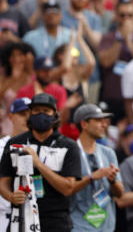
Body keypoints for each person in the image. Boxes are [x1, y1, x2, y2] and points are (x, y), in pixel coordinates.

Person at [0, 93, 82, 232]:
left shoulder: (68, 146)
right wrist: (11, 196)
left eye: (46, 111)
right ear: (30, 114)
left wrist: (38, 163)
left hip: (55, 222)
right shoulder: (15, 143)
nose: (41, 114)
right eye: (36, 110)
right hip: (20, 220)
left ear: (55, 114)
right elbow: (3, 181)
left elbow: (68, 188)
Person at [69, 104, 123, 232]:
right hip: (78, 226)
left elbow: (120, 194)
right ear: (84, 124)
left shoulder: (108, 153)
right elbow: (67, 189)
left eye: (104, 121)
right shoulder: (70, 152)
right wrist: (92, 177)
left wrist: (112, 180)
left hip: (107, 227)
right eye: (98, 120)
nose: (104, 125)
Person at [0, 97, 31, 232]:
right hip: (4, 216)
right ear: (11, 116)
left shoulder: (40, 147)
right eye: (22, 114)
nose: (27, 118)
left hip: (33, 216)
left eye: (31, 114)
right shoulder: (0, 146)